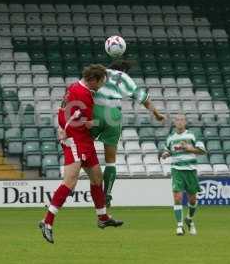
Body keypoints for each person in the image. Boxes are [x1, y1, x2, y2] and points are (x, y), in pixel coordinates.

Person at [39, 64, 123, 244]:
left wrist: (62, 127)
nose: (101, 86)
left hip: (82, 140)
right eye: (101, 83)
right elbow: (86, 123)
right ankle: (47, 221)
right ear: (93, 80)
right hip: (76, 141)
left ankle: (102, 217)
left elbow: (63, 112)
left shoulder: (73, 87)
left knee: (97, 178)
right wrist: (101, 122)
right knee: (70, 182)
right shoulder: (84, 95)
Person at [90, 59, 165, 206]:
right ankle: (107, 195)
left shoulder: (100, 73)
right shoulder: (124, 78)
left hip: (96, 110)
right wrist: (156, 114)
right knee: (110, 160)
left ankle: (72, 178)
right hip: (113, 115)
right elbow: (144, 98)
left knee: (82, 147)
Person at [160, 114, 206, 236]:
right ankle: (179, 226)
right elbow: (167, 150)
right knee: (177, 198)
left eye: (182, 120)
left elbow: (203, 151)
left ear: (185, 122)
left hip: (190, 170)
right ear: (174, 123)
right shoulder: (170, 138)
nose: (179, 122)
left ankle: (189, 219)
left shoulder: (192, 135)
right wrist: (165, 154)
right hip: (177, 170)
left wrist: (189, 148)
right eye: (177, 120)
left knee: (192, 199)